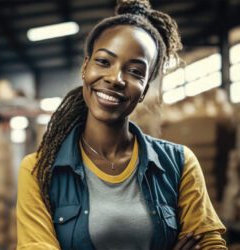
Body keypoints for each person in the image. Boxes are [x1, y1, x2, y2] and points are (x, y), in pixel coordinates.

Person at [16, 0, 227, 249]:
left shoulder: (179, 164)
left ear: (144, 89)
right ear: (86, 67)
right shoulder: (39, 171)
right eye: (104, 62)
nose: (115, 79)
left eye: (135, 71)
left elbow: (209, 243)